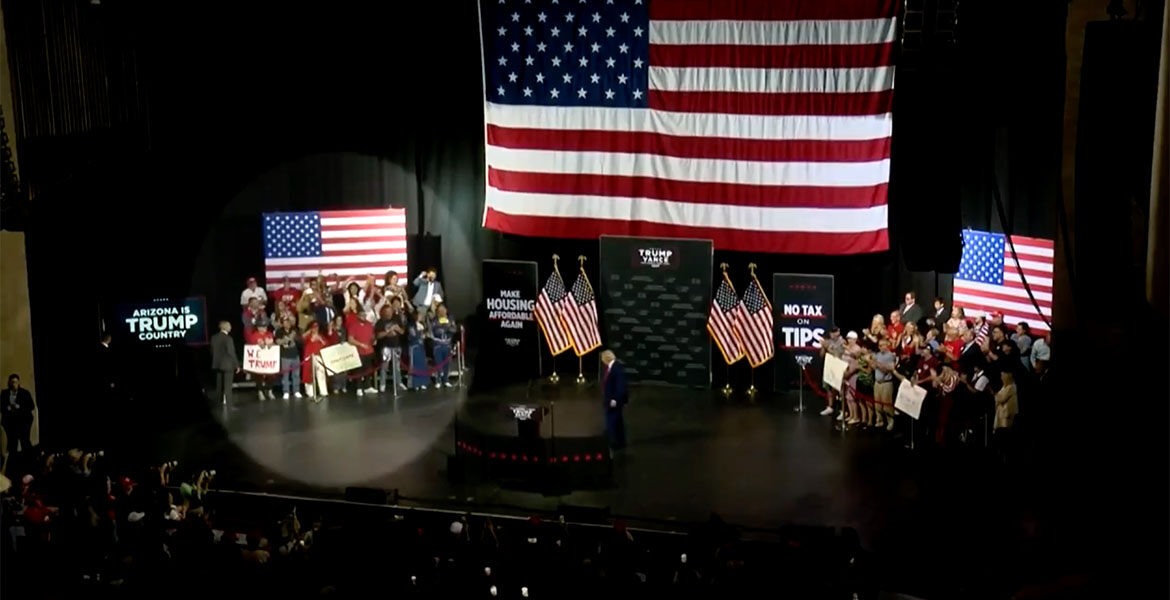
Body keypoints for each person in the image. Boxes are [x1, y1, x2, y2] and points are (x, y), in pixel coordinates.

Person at [2, 374, 36, 463]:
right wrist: (7, 408)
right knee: (12, 445)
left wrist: (19, 407)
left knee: (25, 442)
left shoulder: (25, 393)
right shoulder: (4, 393)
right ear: (9, 383)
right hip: (10, 423)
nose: (14, 384)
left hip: (23, 422)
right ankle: (13, 465)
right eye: (12, 382)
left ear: (19, 382)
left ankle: (29, 462)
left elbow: (31, 406)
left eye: (16, 382)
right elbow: (1, 406)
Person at [345, 307, 378, 396]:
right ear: (358, 315)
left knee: (368, 369)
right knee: (358, 371)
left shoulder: (370, 325)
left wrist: (373, 340)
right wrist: (360, 344)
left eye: (364, 315)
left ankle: (368, 387)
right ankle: (359, 388)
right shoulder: (353, 325)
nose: (363, 316)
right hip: (359, 351)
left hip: (369, 350)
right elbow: (350, 339)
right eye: (362, 315)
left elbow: (372, 336)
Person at [600, 350, 629, 450]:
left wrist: (615, 400)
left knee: (611, 422)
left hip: (614, 401)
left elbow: (621, 386)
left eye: (603, 359)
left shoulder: (617, 368)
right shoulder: (609, 367)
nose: (602, 361)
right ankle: (621, 442)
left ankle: (615, 443)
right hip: (611, 399)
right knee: (617, 422)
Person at [375, 301, 407, 392]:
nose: (389, 313)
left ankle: (399, 382)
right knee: (384, 366)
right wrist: (388, 332)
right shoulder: (380, 322)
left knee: (397, 366)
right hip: (385, 347)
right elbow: (378, 336)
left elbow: (402, 332)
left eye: (390, 311)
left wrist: (398, 329)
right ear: (384, 312)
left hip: (396, 346)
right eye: (387, 312)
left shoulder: (396, 319)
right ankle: (382, 384)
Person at [245, 318, 277, 401]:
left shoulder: (269, 333)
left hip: (268, 360)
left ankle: (269, 391)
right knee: (259, 376)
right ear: (258, 327)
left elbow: (273, 343)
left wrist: (270, 343)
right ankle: (260, 391)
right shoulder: (254, 335)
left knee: (271, 375)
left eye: (265, 326)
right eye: (261, 326)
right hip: (259, 360)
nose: (263, 328)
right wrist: (261, 343)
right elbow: (255, 345)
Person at [210, 321, 239, 405]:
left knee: (219, 384)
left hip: (217, 364)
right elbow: (231, 352)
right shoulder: (228, 338)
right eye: (229, 325)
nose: (231, 327)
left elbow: (212, 351)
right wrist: (237, 365)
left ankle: (219, 400)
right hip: (228, 365)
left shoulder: (214, 337)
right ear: (225, 327)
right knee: (228, 385)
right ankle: (227, 401)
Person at [274, 316, 302, 400]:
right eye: (285, 322)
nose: (287, 324)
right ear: (282, 324)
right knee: (285, 375)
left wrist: (294, 337)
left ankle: (296, 390)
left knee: (296, 374)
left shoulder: (295, 330)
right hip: (285, 356)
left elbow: (300, 341)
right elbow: (278, 342)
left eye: (288, 322)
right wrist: (287, 339)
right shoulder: (279, 331)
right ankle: (286, 391)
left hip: (295, 355)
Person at [430, 304, 458, 388]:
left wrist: (448, 327)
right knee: (438, 363)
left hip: (447, 344)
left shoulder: (451, 319)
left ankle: (445, 380)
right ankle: (438, 380)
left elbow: (454, 329)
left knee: (447, 363)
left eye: (443, 309)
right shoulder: (434, 320)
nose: (441, 311)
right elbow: (433, 331)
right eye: (440, 310)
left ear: (446, 310)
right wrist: (440, 326)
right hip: (438, 344)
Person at [872, 339, 897, 431]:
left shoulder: (890, 356)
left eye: (883, 345)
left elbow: (887, 369)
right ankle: (879, 420)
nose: (882, 347)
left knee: (887, 404)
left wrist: (877, 363)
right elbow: (874, 366)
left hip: (886, 383)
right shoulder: (877, 355)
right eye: (880, 345)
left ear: (887, 345)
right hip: (877, 382)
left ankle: (890, 421)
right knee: (877, 404)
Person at [819, 327, 844, 416]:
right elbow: (821, 356)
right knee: (828, 388)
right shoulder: (828, 341)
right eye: (831, 332)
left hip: (838, 366)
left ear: (838, 332)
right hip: (828, 366)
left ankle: (842, 410)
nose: (833, 334)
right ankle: (830, 407)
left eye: (835, 332)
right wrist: (823, 347)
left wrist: (827, 348)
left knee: (838, 389)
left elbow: (837, 355)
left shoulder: (842, 342)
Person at [301, 321, 329, 400]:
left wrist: (320, 339)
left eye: (317, 326)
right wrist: (310, 332)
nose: (316, 328)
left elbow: (326, 344)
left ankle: (323, 391)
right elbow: (302, 338)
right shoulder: (308, 336)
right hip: (309, 357)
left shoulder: (321, 336)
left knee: (321, 373)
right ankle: (309, 392)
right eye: (314, 326)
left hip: (319, 357)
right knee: (309, 374)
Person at [993, 371, 1018, 457]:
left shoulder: (1011, 387)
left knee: (1005, 440)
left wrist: (993, 393)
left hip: (1006, 418)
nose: (1001, 378)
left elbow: (1001, 398)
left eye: (1002, 376)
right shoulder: (1005, 386)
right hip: (1001, 417)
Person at [408, 310, 430, 390]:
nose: (421, 316)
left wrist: (425, 334)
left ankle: (423, 382)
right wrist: (421, 333)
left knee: (422, 364)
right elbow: (413, 335)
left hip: (421, 346)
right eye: (420, 315)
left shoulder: (422, 324)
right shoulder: (410, 325)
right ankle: (415, 383)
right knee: (415, 365)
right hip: (414, 347)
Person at [326, 315, 348, 394]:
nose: (339, 321)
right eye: (338, 320)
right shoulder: (332, 329)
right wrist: (330, 328)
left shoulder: (344, 329)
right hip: (334, 351)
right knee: (336, 371)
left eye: (341, 320)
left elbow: (345, 339)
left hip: (342, 351)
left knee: (344, 370)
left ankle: (343, 386)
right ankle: (336, 387)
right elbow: (329, 337)